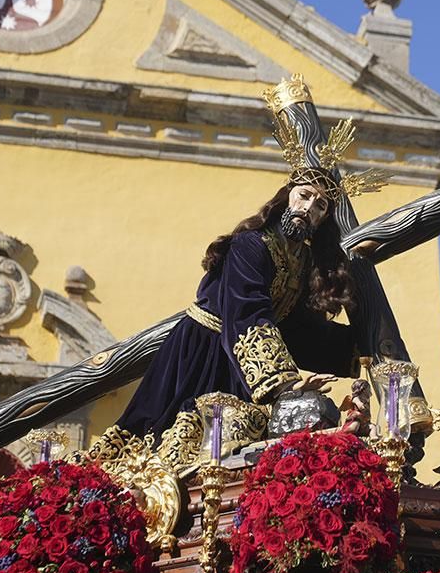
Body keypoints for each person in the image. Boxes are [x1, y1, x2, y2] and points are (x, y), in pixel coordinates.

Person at [115, 172, 363, 459]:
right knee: (177, 443)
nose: (308, 208)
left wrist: (355, 347)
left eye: (320, 206)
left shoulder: (302, 262)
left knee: (234, 451)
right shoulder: (251, 244)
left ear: (323, 220)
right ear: (286, 197)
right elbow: (247, 310)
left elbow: (295, 329)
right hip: (203, 352)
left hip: (242, 362)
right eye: (304, 195)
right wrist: (283, 382)